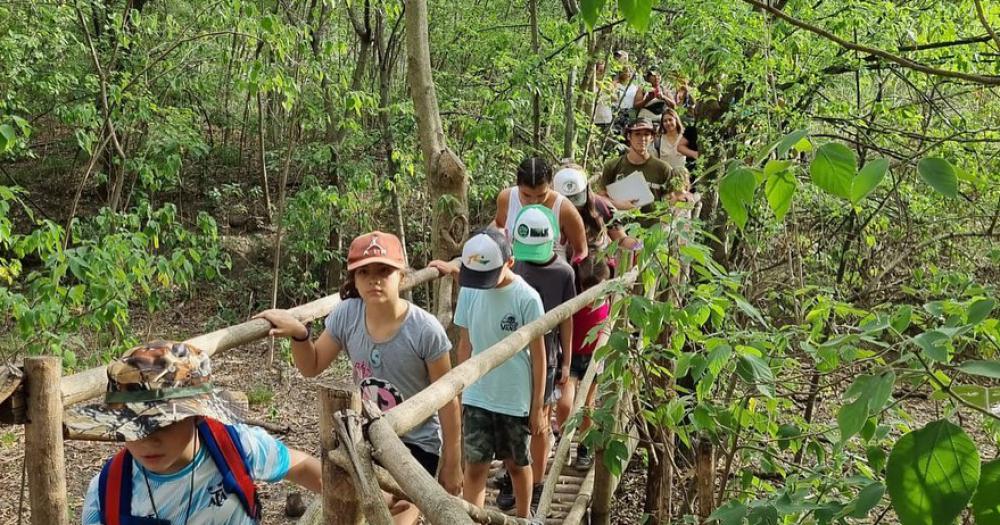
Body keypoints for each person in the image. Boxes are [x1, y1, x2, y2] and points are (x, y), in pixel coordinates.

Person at [255, 231, 463, 523]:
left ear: (401, 276)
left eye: (384, 271)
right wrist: (301, 335)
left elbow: (447, 399)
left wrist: (453, 462)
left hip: (416, 445)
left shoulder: (424, 330)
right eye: (364, 272)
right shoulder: (348, 314)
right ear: (353, 278)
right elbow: (312, 365)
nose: (374, 279)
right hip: (365, 439)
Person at [71, 340, 322, 524]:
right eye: (131, 426)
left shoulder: (236, 447)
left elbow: (301, 466)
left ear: (197, 416)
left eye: (163, 423)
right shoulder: (107, 492)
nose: (147, 440)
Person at [451, 228, 547, 519]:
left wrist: (537, 405)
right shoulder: (470, 290)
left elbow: (539, 355)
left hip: (513, 394)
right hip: (478, 392)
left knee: (517, 463)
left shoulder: (527, 298)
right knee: (476, 464)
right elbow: (464, 344)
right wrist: (459, 390)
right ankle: (473, 518)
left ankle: (523, 516)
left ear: (510, 263)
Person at [488, 205, 576, 513]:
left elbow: (567, 317)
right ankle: (515, 477)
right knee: (512, 418)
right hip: (512, 353)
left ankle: (536, 482)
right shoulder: (515, 266)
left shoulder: (564, 272)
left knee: (539, 420)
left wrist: (567, 360)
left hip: (548, 352)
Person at [555, 258, 612, 470]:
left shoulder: (609, 302)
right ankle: (563, 440)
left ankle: (584, 448)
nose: (593, 297)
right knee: (565, 403)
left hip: (594, 358)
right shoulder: (573, 301)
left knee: (588, 406)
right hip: (572, 356)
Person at [494, 156, 589, 263]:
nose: (534, 201)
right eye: (526, 195)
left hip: (553, 272)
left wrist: (571, 272)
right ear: (518, 186)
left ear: (550, 185)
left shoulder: (564, 209)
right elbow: (499, 224)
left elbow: (581, 250)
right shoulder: (506, 199)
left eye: (541, 195)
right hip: (513, 269)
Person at [553, 163, 642, 264]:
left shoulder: (601, 205)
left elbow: (621, 239)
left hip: (599, 268)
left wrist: (639, 246)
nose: (572, 207)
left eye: (575, 198)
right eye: (566, 201)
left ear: (586, 190)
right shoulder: (547, 210)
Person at [597, 117, 687, 214]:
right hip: (621, 225)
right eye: (637, 134)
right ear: (629, 136)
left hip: (653, 226)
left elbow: (673, 198)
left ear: (652, 138)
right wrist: (620, 205)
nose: (642, 138)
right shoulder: (612, 166)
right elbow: (601, 198)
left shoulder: (663, 168)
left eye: (646, 134)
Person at [649, 109, 697, 190]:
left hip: (684, 181)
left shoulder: (685, 138)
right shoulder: (658, 140)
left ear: (676, 120)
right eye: (665, 121)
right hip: (665, 181)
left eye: (670, 120)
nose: (668, 123)